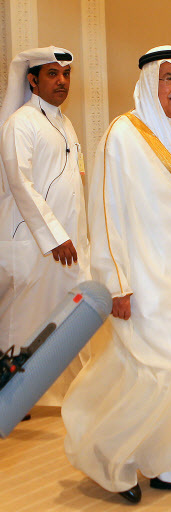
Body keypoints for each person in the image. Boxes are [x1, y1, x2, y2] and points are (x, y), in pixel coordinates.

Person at [61, 46, 171, 504]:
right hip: (144, 280)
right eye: (168, 79)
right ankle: (107, 456)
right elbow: (106, 212)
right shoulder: (124, 135)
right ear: (150, 83)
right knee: (156, 372)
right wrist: (115, 283)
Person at [0, 46, 90, 406]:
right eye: (52, 74)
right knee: (23, 323)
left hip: (66, 244)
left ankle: (65, 394)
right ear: (33, 80)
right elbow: (21, 183)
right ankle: (9, 397)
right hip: (35, 242)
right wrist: (54, 236)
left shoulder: (63, 122)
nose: (62, 81)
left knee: (68, 319)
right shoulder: (21, 122)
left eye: (66, 74)